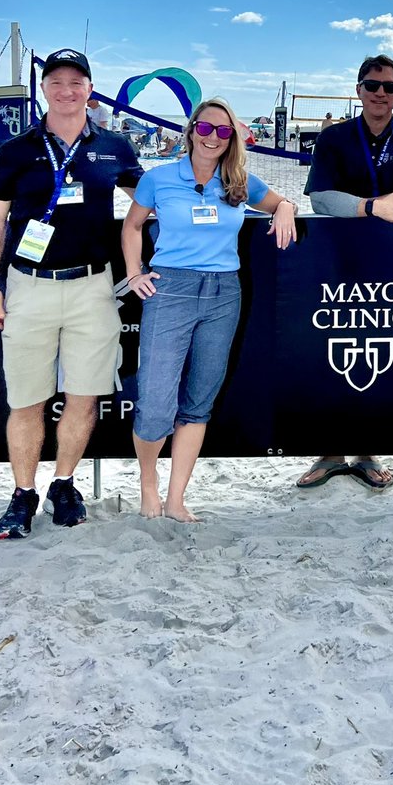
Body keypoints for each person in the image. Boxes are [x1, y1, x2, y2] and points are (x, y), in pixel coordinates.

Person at [0, 48, 143, 539]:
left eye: (77, 82)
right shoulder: (15, 151)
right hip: (29, 287)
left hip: (95, 288)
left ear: (90, 89)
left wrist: (232, 186)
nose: (67, 90)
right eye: (57, 82)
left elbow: (152, 199)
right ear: (44, 89)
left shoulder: (115, 146)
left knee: (84, 396)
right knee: (26, 400)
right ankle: (23, 493)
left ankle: (64, 483)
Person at [121, 97, 295, 521]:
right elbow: (132, 225)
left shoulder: (239, 181)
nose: (212, 137)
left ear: (231, 137)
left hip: (223, 293)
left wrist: (286, 209)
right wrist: (134, 273)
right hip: (170, 289)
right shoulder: (159, 179)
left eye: (222, 131)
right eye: (205, 128)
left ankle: (177, 499)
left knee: (198, 401)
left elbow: (278, 202)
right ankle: (149, 488)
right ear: (191, 129)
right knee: (156, 402)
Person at [300, 54, 393, 491]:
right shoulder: (335, 138)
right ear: (358, 90)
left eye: (389, 87)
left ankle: (367, 453)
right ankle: (329, 453)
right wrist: (371, 206)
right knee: (333, 351)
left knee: (381, 353)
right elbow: (320, 199)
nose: (380, 93)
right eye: (372, 85)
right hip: (336, 260)